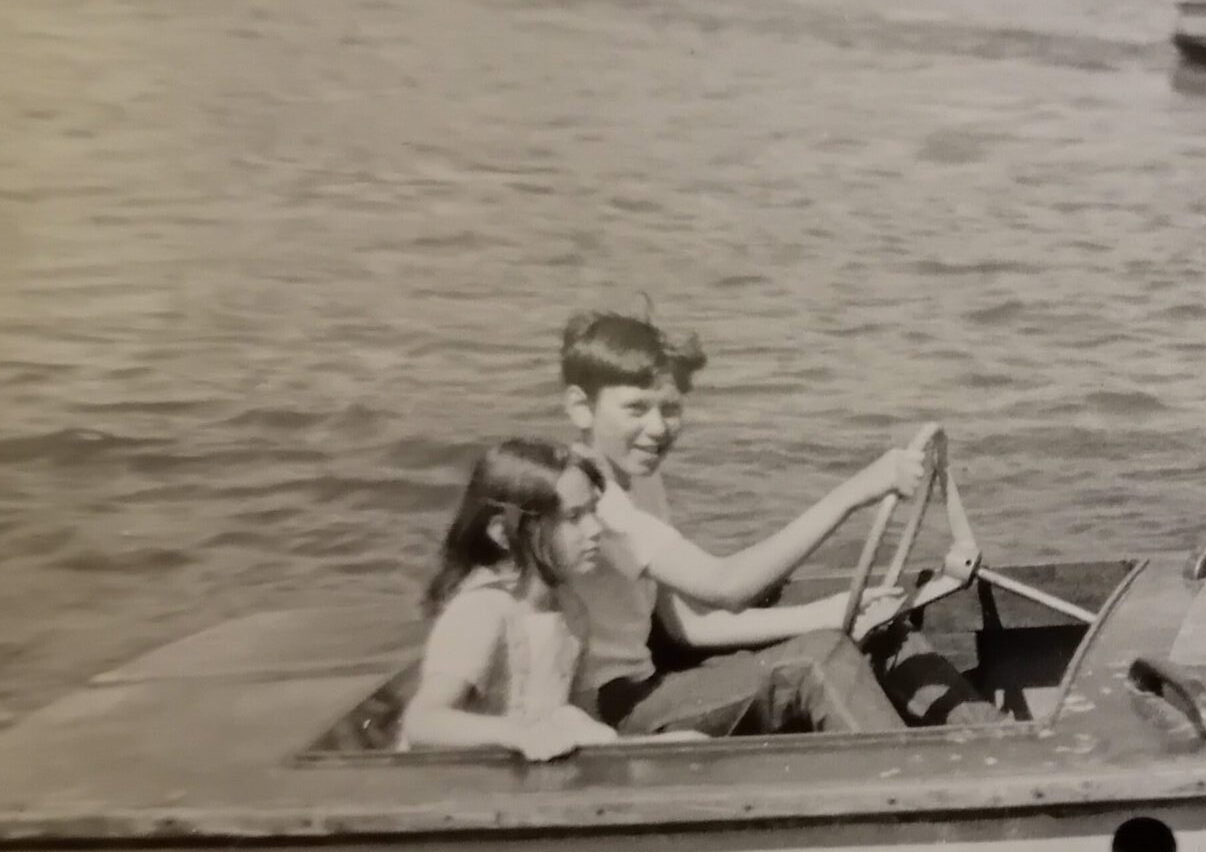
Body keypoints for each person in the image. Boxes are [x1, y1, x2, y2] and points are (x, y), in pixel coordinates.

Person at [557, 312, 1002, 738]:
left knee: (876, 632)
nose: (657, 427)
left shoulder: (639, 478)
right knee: (813, 662)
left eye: (670, 408)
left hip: (655, 682)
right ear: (581, 408)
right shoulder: (595, 503)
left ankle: (996, 743)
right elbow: (725, 586)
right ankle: (911, 794)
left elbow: (690, 627)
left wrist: (830, 614)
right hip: (619, 712)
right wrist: (854, 491)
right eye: (635, 408)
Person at [400, 440, 622, 760]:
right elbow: (422, 722)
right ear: (505, 534)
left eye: (593, 511)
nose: (595, 528)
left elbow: (584, 717)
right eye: (574, 517)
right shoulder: (482, 610)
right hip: (464, 785)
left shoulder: (573, 611)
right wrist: (517, 734)